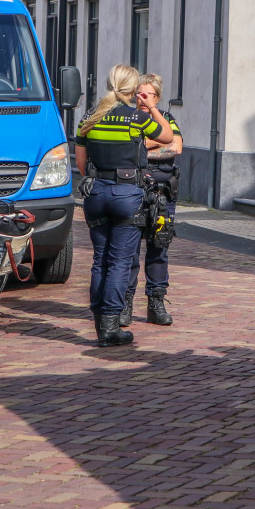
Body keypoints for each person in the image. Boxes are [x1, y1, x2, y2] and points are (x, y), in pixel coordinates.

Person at [75, 64, 173, 347]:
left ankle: (99, 322)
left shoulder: (89, 118)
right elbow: (166, 137)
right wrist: (150, 107)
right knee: (119, 262)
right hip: (126, 195)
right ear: (133, 89)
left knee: (99, 261)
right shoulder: (135, 118)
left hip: (96, 194)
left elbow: (81, 165)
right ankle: (110, 326)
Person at [120, 73, 181, 327]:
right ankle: (125, 303)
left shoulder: (166, 118)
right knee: (129, 251)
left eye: (148, 95)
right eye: (139, 95)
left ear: (157, 97)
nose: (142, 100)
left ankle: (156, 302)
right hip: (134, 191)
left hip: (162, 193)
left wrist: (145, 146)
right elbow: (126, 149)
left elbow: (176, 146)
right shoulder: (129, 119)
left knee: (159, 248)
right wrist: (155, 144)